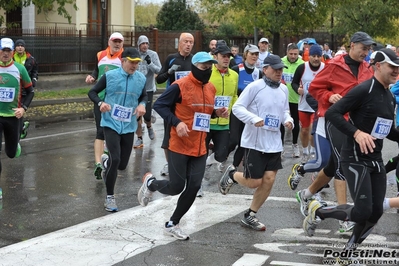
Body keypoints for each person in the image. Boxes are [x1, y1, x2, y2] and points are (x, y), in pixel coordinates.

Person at [304, 49, 399, 257]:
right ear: (378, 65)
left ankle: (348, 253)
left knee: (375, 212)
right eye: (392, 66)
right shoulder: (363, 90)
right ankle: (317, 210)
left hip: (375, 159)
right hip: (354, 158)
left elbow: (387, 129)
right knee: (362, 211)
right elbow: (332, 113)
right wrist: (356, 133)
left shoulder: (389, 97)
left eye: (398, 67)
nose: (396, 70)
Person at [137, 52, 228, 240]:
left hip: (200, 145)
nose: (207, 71)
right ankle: (151, 184)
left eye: (210, 68)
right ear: (194, 67)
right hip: (179, 144)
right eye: (203, 68)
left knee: (194, 186)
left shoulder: (210, 88)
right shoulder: (179, 86)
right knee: (176, 186)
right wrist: (177, 123)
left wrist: (217, 112)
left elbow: (205, 112)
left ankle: (173, 223)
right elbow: (159, 105)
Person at [294, 31, 375, 233]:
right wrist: (329, 96)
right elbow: (315, 88)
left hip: (357, 125)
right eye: (363, 48)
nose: (365, 52)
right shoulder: (335, 66)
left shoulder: (367, 69)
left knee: (331, 166)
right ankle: (343, 217)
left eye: (368, 49)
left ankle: (306, 194)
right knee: (341, 164)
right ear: (352, 45)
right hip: (336, 121)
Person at [218, 54, 294, 231]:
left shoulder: (283, 89)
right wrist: (253, 119)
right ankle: (232, 175)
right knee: (254, 182)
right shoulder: (255, 87)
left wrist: (288, 120)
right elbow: (237, 108)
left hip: (274, 142)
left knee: (269, 179)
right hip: (255, 142)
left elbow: (285, 111)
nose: (279, 72)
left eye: (281, 69)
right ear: (265, 69)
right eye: (275, 69)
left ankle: (250, 215)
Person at [88, 47, 147, 212]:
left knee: (122, 165)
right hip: (110, 123)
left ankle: (106, 162)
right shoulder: (110, 76)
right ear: (123, 61)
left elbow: (144, 96)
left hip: (128, 125)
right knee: (115, 158)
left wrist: (142, 105)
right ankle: (110, 197)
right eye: (132, 62)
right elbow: (92, 92)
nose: (134, 66)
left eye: (137, 63)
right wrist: (101, 103)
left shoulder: (140, 79)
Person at [85, 32, 124, 180]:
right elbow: (97, 70)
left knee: (114, 131)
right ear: (109, 42)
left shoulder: (124, 58)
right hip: (100, 99)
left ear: (122, 44)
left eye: (119, 41)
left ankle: (108, 155)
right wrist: (92, 77)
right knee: (100, 131)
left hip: (117, 101)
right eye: (114, 41)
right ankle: (98, 164)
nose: (117, 44)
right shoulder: (100, 55)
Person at [201, 43, 238, 194]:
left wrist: (235, 109)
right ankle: (198, 184)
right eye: (223, 56)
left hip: (224, 122)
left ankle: (208, 163)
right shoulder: (208, 73)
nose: (226, 59)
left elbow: (234, 95)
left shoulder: (234, 75)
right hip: (207, 121)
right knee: (200, 154)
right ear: (215, 57)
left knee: (222, 155)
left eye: (228, 56)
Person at [156, 32, 194, 176]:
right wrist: (169, 73)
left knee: (189, 134)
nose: (188, 45)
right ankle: (168, 164)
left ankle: (188, 164)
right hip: (172, 103)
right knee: (169, 137)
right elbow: (159, 79)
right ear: (180, 43)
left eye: (191, 42)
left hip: (189, 104)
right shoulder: (171, 58)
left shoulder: (194, 60)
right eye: (186, 42)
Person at [0, 37, 34, 174]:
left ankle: (16, 144)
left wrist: (23, 108)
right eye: (3, 50)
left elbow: (30, 91)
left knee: (11, 153)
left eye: (8, 50)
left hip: (13, 116)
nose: (5, 53)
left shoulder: (19, 69)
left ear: (13, 52)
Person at [226, 44, 262, 171]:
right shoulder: (236, 69)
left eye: (256, 54)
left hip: (250, 112)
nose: (254, 56)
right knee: (234, 140)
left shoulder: (259, 73)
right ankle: (221, 156)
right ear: (246, 54)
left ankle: (233, 166)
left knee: (244, 141)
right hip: (237, 110)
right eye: (252, 54)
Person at [291, 45, 324, 164]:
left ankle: (314, 152)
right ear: (308, 56)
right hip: (304, 105)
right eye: (313, 56)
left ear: (321, 57)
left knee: (313, 131)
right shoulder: (302, 67)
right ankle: (305, 152)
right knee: (304, 130)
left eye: (318, 56)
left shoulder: (325, 68)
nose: (316, 59)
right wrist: (297, 90)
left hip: (318, 106)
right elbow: (294, 83)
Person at [133, 35, 162, 148]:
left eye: (146, 43)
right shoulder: (135, 55)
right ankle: (139, 138)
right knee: (137, 115)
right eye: (142, 43)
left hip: (148, 88)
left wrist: (150, 63)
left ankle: (149, 126)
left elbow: (159, 70)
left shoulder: (153, 54)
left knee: (147, 115)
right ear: (139, 45)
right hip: (135, 89)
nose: (145, 46)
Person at [281, 43, 304, 158]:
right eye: (291, 54)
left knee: (295, 122)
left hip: (295, 98)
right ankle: (280, 147)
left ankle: (295, 144)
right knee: (280, 122)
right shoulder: (281, 62)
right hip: (282, 98)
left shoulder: (302, 64)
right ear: (287, 53)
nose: (293, 56)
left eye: (295, 54)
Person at [13, 39, 38, 140]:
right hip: (14, 88)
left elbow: (35, 71)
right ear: (15, 48)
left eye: (21, 46)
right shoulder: (10, 57)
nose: (20, 47)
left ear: (24, 47)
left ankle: (18, 133)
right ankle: (22, 126)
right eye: (18, 46)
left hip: (24, 89)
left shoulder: (30, 59)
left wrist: (34, 79)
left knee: (19, 111)